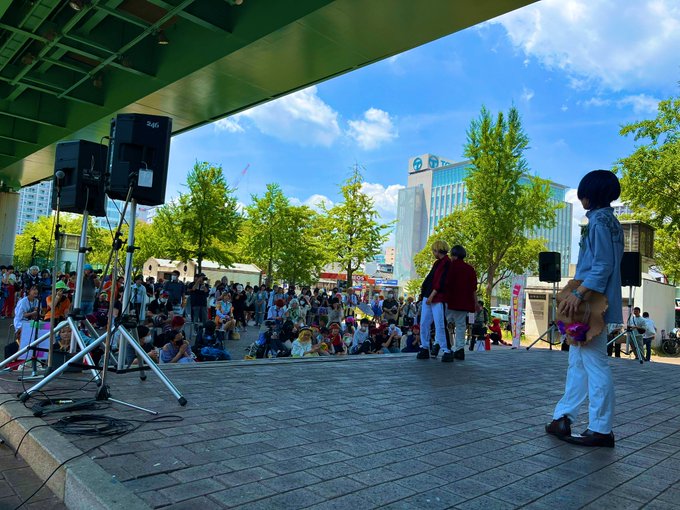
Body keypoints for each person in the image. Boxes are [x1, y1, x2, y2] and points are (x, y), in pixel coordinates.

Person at [546, 170, 623, 448]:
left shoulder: (599, 222)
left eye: (583, 194)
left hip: (591, 303)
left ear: (591, 194)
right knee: (578, 362)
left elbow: (602, 265)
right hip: (595, 301)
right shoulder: (609, 221)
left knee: (593, 363)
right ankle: (563, 417)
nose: (581, 199)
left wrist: (578, 294)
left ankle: (601, 428)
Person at [416, 240, 451, 361]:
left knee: (438, 324)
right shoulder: (439, 263)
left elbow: (441, 281)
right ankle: (426, 347)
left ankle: (445, 349)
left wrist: (431, 295)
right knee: (425, 323)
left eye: (433, 250)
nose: (433, 253)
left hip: (436, 297)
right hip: (431, 296)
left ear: (437, 250)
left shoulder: (446, 263)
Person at [444, 245, 478, 360]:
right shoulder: (470, 269)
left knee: (444, 323)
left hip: (450, 301)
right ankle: (460, 349)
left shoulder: (450, 266)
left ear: (454, 255)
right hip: (464, 303)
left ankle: (445, 347)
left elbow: (445, 284)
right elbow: (473, 288)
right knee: (461, 326)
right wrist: (475, 303)